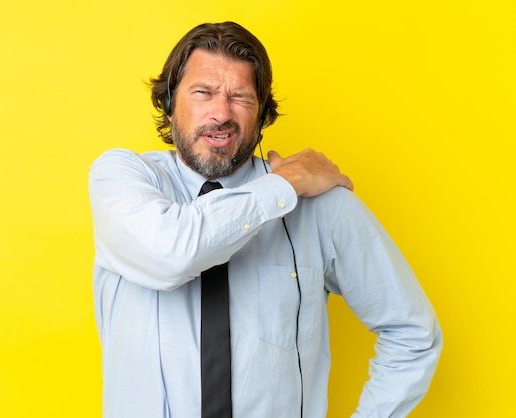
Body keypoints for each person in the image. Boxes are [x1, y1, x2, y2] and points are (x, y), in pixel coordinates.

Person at [89, 21, 442, 418]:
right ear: (170, 102)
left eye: (240, 97)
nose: (221, 112)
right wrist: (284, 185)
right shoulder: (120, 180)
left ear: (262, 114)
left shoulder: (321, 206)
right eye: (203, 92)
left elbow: (413, 334)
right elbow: (172, 252)